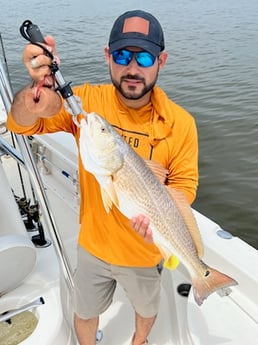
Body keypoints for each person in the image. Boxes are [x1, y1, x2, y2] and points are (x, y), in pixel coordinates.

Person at [7, 10, 199, 345]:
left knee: (147, 309)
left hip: (145, 252)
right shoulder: (88, 104)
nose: (133, 68)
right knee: (84, 311)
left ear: (161, 60)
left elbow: (184, 186)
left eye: (144, 57)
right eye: (123, 55)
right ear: (108, 56)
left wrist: (160, 213)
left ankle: (139, 342)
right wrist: (36, 89)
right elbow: (22, 124)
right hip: (92, 246)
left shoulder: (180, 124)